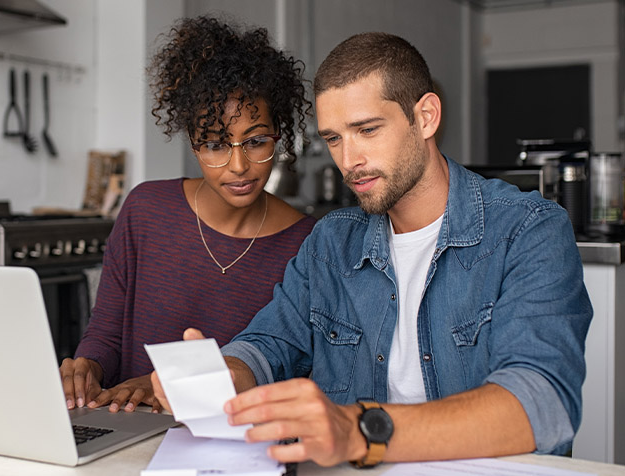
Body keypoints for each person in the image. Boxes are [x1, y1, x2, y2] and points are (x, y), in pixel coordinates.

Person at [153, 32, 592, 467]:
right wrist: (224, 374)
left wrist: (361, 431)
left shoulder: (528, 229)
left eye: (366, 130)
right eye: (334, 138)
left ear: (426, 117)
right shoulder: (331, 243)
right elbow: (269, 344)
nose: (348, 160)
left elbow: (543, 403)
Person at [60, 16, 316, 414]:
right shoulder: (145, 210)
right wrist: (87, 367)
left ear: (278, 137)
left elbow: (289, 369)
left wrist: (164, 386)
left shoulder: (306, 243)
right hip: (127, 428)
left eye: (256, 141)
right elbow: (106, 335)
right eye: (215, 144)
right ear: (194, 145)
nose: (238, 166)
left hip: (233, 445)